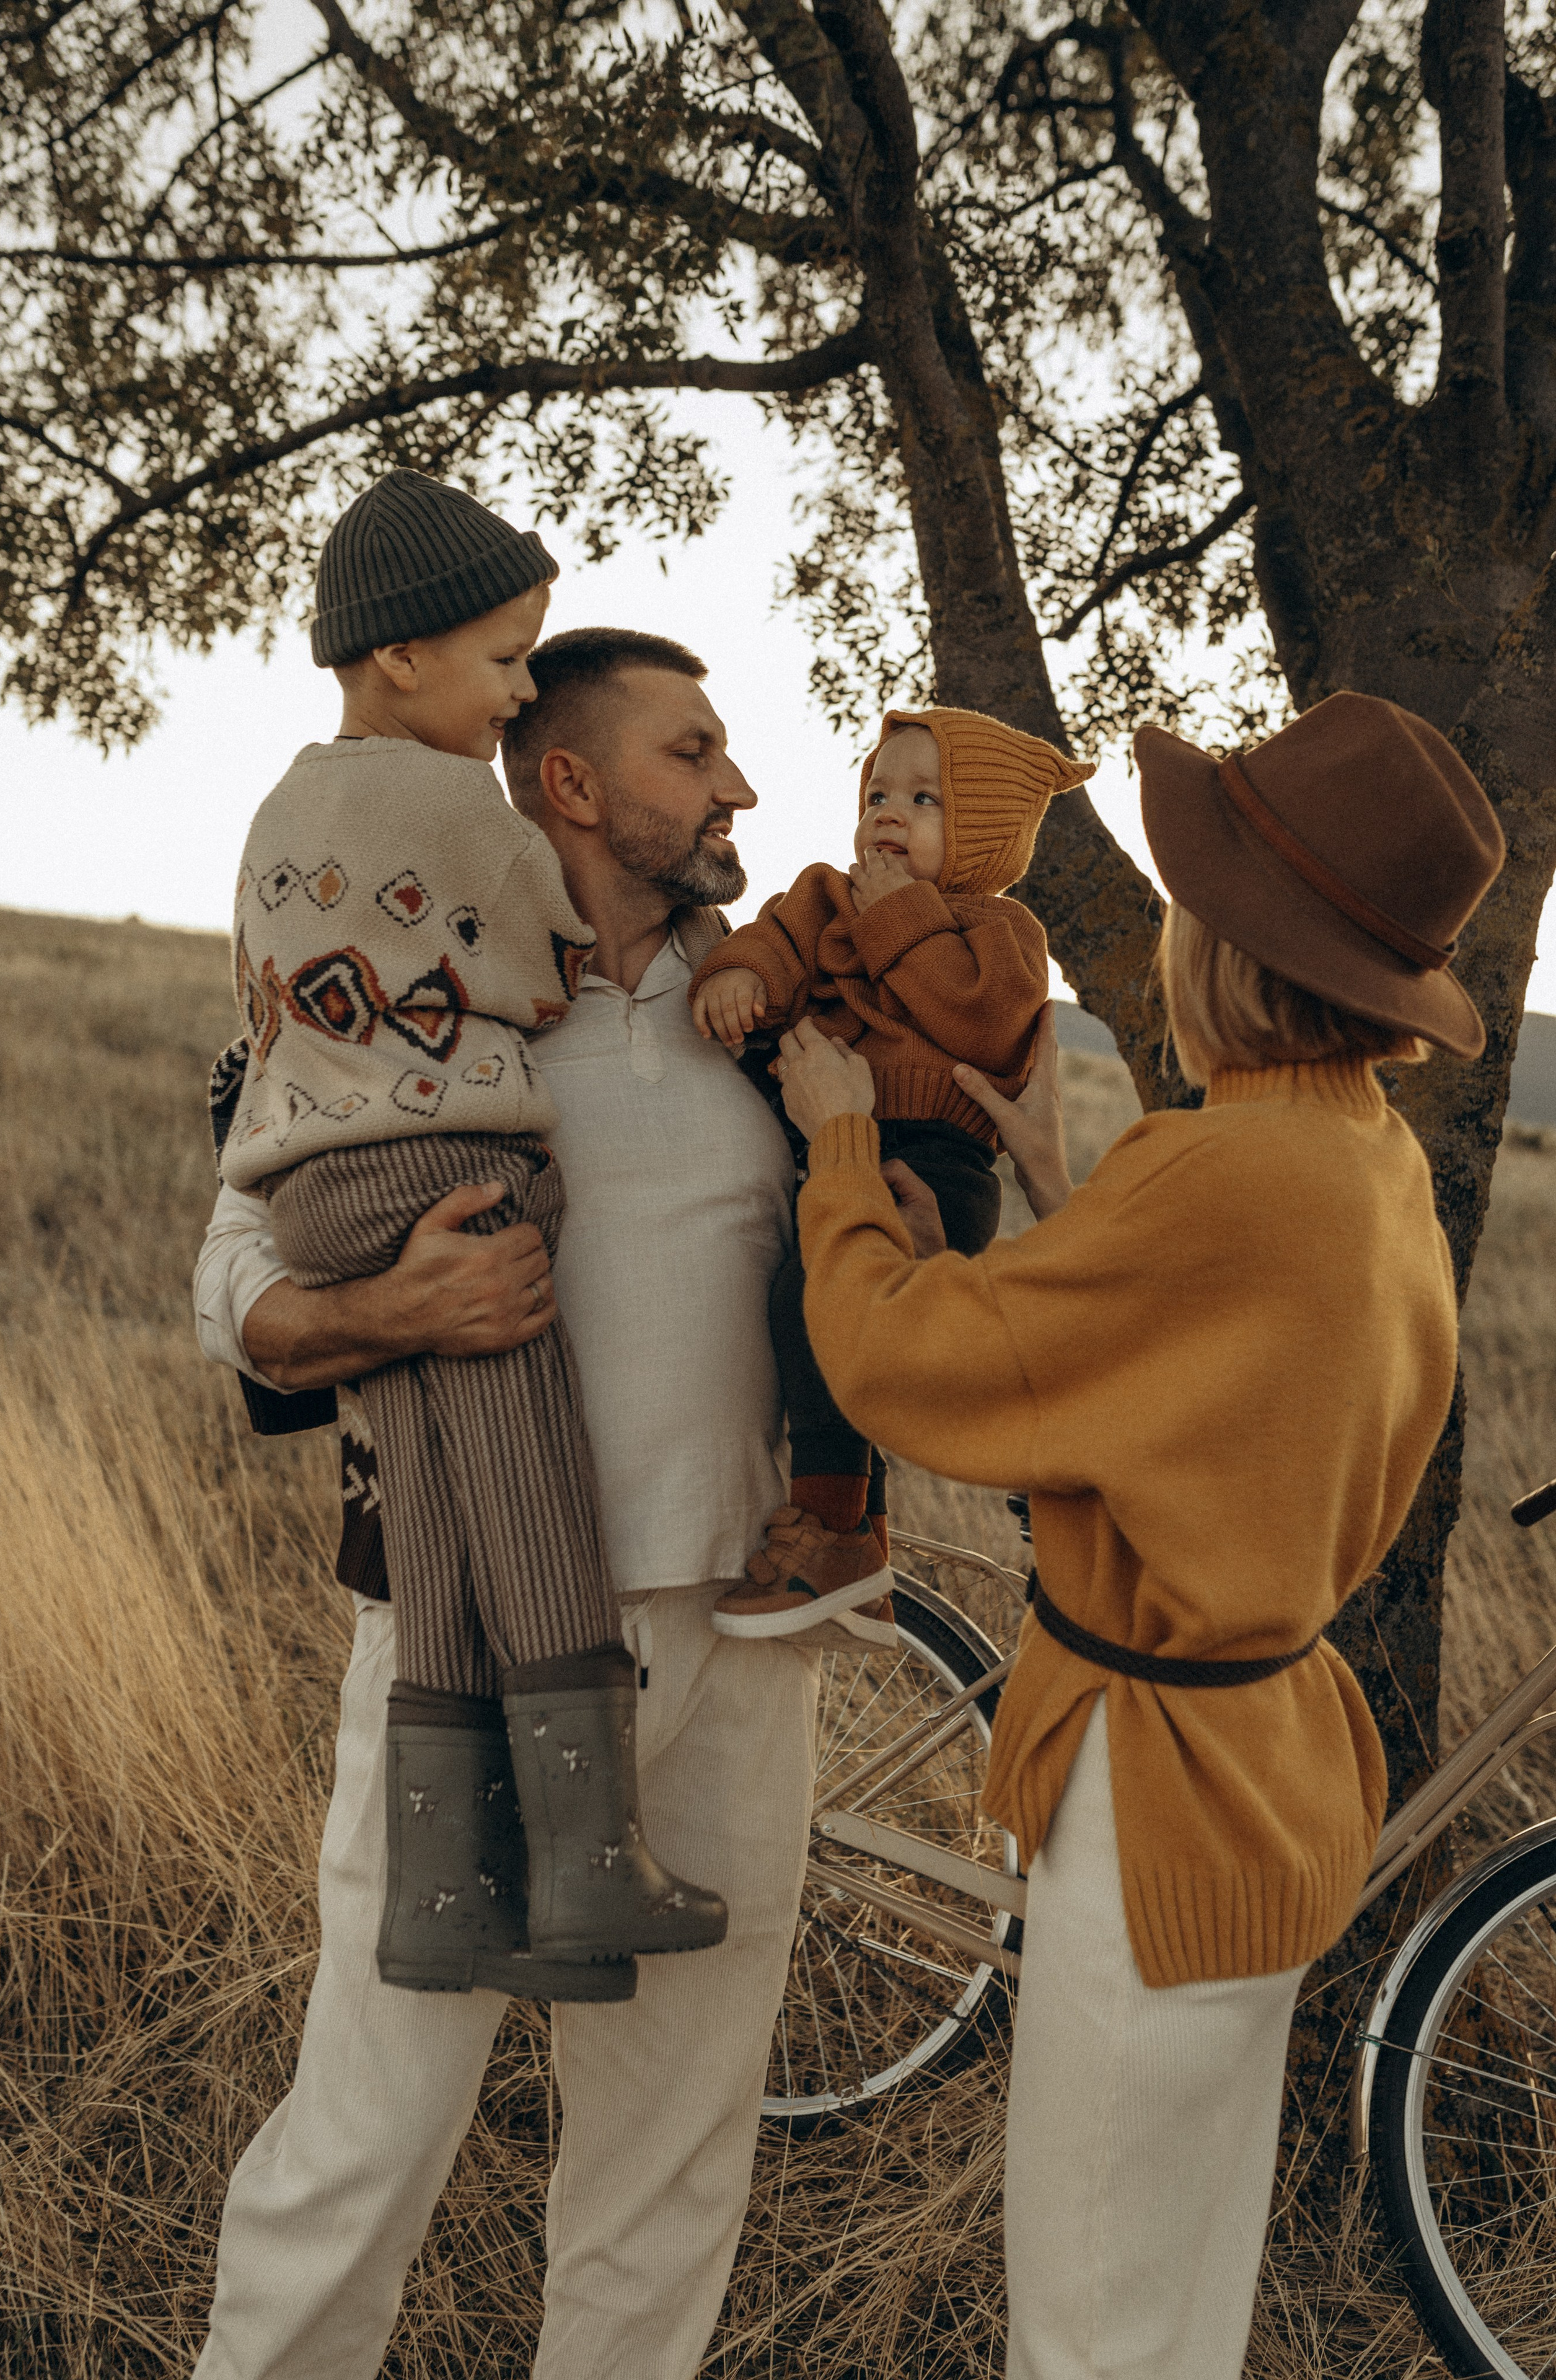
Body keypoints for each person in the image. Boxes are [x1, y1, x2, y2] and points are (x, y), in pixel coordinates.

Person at [769, 690, 1503, 2379]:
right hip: (1279, 1789)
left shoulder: (1217, 1173)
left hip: (1154, 1802)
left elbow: (906, 1359)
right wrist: (1060, 1182)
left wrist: (838, 1152)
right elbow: (1204, 1371)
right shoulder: (1362, 1158)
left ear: (1232, 952)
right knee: (1178, 2309)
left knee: (1086, 2323)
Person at [190, 626, 843, 2380]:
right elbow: (232, 1268)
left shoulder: (786, 1012)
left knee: (675, 2153)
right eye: (692, 755)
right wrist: (373, 1313)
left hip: (746, 1635)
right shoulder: (398, 971)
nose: (738, 790)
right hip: (463, 1641)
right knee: (373, 2129)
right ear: (567, 782)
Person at [223, 469, 722, 1991]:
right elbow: (531, 936)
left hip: (322, 1186)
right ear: (404, 658)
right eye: (503, 661)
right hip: (447, 1173)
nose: (512, 701)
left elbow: (276, 1001)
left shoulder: (274, 808)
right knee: (527, 1491)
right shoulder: (455, 809)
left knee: (434, 1531)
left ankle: (444, 1896)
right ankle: (584, 1862)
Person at [688, 705, 1090, 1644]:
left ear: (985, 838)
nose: (889, 814)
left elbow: (981, 1021)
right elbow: (777, 941)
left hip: (936, 1162)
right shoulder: (827, 894)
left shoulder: (1003, 933)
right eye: (878, 792)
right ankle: (848, 1531)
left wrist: (899, 918)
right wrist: (734, 976)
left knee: (830, 1303)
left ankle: (836, 1526)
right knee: (792, 1304)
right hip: (826, 1143)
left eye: (925, 799)